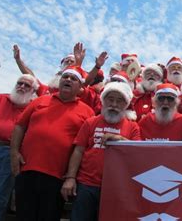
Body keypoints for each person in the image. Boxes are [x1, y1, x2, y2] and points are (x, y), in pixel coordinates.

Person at [10, 65, 95, 221]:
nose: (68, 80)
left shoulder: (87, 112)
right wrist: (14, 152)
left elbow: (82, 148)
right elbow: (20, 126)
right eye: (65, 77)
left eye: (73, 78)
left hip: (58, 178)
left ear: (80, 87)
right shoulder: (40, 100)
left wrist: (71, 177)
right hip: (27, 170)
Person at [60, 82, 141, 221]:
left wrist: (120, 139)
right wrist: (70, 178)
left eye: (119, 100)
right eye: (110, 99)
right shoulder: (91, 122)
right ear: (103, 101)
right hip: (87, 185)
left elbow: (137, 153)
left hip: (116, 188)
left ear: (126, 104)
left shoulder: (133, 127)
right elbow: (78, 150)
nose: (114, 104)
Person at [0, 54, 38, 221]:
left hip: (9, 154)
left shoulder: (34, 110)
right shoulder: (2, 98)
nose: (22, 87)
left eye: (27, 85)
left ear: (33, 92)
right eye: (20, 83)